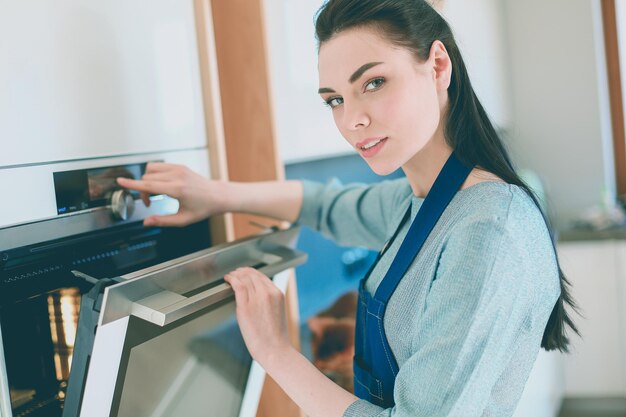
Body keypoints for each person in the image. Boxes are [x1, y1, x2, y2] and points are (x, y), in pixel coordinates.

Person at [117, 0, 578, 416]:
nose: (351, 120)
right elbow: (326, 205)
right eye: (335, 99)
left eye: (373, 83)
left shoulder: (486, 229)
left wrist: (276, 352)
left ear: (438, 66)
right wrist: (217, 195)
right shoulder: (426, 199)